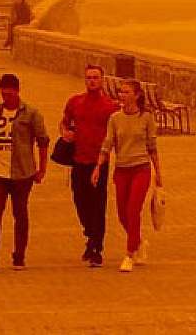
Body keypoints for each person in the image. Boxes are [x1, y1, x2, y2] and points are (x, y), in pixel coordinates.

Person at [0, 74, 49, 272]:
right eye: (3, 93)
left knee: (20, 213)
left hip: (22, 172)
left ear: (17, 91)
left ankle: (19, 254)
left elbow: (42, 141)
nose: (6, 97)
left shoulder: (32, 114)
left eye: (9, 93)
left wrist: (42, 169)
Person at [93, 79, 163, 272]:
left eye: (126, 92)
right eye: (120, 92)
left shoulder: (146, 117)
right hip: (122, 169)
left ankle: (129, 254)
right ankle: (139, 241)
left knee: (133, 211)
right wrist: (98, 167)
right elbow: (108, 143)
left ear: (137, 95)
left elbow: (152, 147)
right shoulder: (115, 118)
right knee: (122, 214)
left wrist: (158, 173)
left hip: (141, 169)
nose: (121, 95)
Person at [60, 65, 119, 267]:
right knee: (80, 200)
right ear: (85, 80)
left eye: (95, 77)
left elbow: (117, 133)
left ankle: (96, 247)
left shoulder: (110, 107)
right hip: (78, 160)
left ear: (102, 80)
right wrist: (65, 133)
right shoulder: (75, 102)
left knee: (98, 203)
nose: (92, 81)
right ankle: (90, 234)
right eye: (88, 78)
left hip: (99, 162)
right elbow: (64, 122)